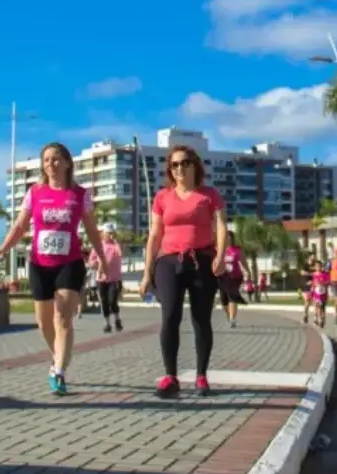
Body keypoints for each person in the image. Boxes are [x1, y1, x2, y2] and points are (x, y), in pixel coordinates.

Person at [0, 142, 110, 396]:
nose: (51, 164)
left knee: (63, 318)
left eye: (56, 159)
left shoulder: (80, 194)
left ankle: (59, 372)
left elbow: (91, 229)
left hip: (69, 262)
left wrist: (102, 256)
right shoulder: (35, 193)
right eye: (46, 160)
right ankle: (57, 356)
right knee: (43, 322)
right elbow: (20, 226)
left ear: (67, 163)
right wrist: (2, 248)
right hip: (39, 264)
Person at [138, 145, 227, 398]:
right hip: (169, 262)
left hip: (202, 261)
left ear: (194, 165)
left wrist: (220, 256)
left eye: (184, 163)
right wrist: (147, 272)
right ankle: (170, 377)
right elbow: (154, 235)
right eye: (174, 164)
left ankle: (201, 376)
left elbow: (221, 226)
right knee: (170, 318)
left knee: (201, 319)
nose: (179, 168)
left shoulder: (209, 195)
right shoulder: (162, 197)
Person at [89, 227, 123, 332]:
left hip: (114, 279)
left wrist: (116, 243)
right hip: (101, 278)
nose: (110, 235)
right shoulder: (98, 246)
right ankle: (107, 323)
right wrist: (97, 264)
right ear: (103, 234)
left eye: (112, 233)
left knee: (112, 301)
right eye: (108, 233)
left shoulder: (115, 245)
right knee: (104, 302)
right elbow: (91, 260)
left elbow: (120, 254)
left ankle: (117, 319)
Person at [219, 231, 251, 328]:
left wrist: (248, 272)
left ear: (232, 239)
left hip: (235, 277)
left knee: (232, 297)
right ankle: (229, 315)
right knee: (223, 302)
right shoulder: (219, 250)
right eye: (226, 237)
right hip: (222, 278)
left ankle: (232, 319)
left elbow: (244, 262)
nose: (227, 239)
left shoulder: (237, 250)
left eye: (229, 237)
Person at [309, 259, 331, 327]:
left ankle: (322, 319)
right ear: (315, 267)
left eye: (319, 266)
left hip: (323, 293)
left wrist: (322, 283)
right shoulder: (314, 274)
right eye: (317, 266)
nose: (318, 267)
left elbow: (328, 282)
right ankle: (317, 318)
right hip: (316, 293)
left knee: (322, 307)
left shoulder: (325, 274)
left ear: (321, 266)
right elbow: (312, 283)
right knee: (316, 306)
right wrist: (312, 285)